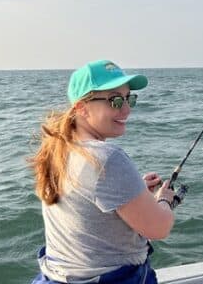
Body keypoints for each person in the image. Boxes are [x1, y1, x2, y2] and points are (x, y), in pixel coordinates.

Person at [29, 59, 176, 284]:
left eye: (129, 99)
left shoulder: (59, 148)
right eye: (115, 100)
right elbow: (158, 228)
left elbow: (86, 197)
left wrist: (134, 191)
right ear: (81, 108)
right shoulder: (107, 158)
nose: (126, 109)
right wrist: (164, 200)